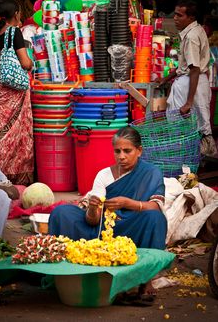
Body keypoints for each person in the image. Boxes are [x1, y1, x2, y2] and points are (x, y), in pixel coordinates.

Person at [49, 126, 167, 302]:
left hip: (132, 227)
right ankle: (66, 272)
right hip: (102, 230)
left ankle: (145, 280)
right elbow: (92, 221)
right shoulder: (104, 175)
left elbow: (155, 207)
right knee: (61, 212)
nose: (121, 156)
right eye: (117, 151)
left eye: (127, 151)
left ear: (139, 151)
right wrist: (91, 209)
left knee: (155, 218)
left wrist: (128, 203)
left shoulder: (151, 173)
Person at [0, 0, 34, 185]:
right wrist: (32, 64)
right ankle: (8, 176)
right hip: (9, 90)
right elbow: (25, 62)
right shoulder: (14, 32)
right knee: (11, 133)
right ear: (17, 14)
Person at [159, 0, 217, 156]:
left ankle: (184, 158)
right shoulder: (197, 30)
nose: (175, 18)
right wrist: (167, 78)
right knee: (199, 122)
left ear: (190, 18)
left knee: (180, 125)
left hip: (191, 83)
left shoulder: (191, 37)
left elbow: (194, 69)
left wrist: (189, 101)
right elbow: (186, 66)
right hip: (195, 82)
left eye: (179, 15)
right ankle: (192, 157)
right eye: (175, 14)